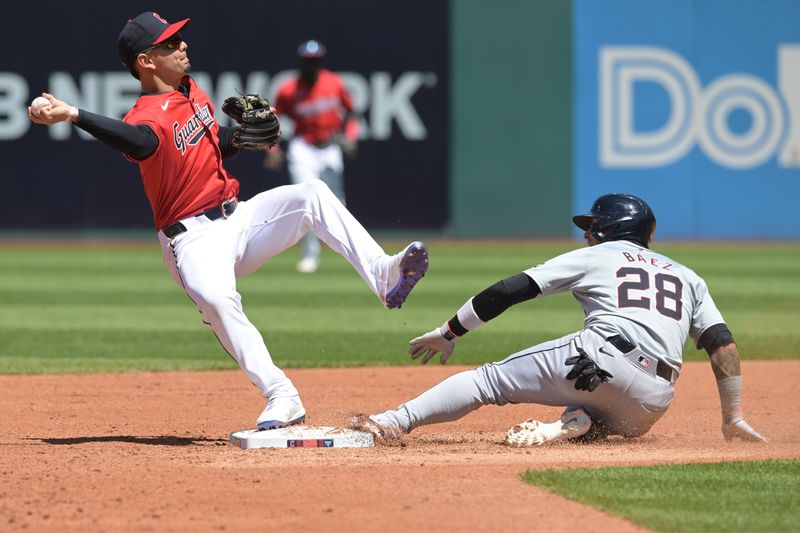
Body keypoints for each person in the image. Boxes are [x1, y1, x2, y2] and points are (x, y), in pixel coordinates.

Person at [28, 12, 429, 431]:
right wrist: (75, 113)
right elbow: (140, 141)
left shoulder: (191, 91)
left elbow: (209, 141)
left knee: (312, 193)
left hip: (239, 218)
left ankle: (384, 276)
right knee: (217, 299)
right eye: (169, 43)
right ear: (146, 61)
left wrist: (235, 138)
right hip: (193, 240)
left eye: (180, 38)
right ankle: (282, 395)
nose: (182, 45)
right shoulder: (146, 115)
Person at [353, 193, 767, 446]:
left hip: (600, 361)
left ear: (611, 229)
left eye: (593, 226)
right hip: (650, 405)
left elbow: (509, 290)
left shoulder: (596, 255)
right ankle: (581, 420)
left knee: (486, 381)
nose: (587, 233)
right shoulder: (687, 276)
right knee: (612, 422)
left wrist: (449, 332)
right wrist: (733, 417)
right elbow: (722, 344)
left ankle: (391, 422)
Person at [264, 40, 359, 273]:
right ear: (301, 63)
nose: (312, 66)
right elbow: (270, 120)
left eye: (316, 61)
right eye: (308, 61)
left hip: (330, 146)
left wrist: (350, 135)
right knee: (305, 200)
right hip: (303, 147)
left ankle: (351, 254)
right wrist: (273, 148)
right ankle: (309, 255)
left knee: (337, 202)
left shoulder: (334, 83)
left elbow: (352, 111)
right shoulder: (289, 89)